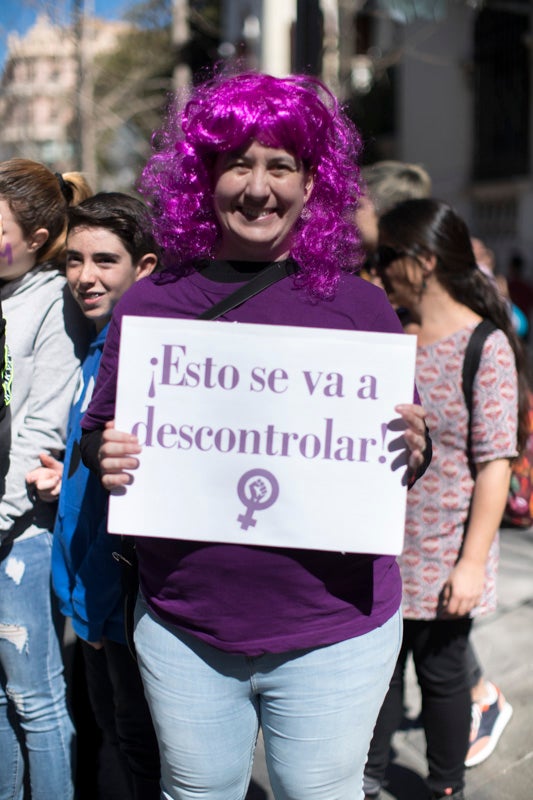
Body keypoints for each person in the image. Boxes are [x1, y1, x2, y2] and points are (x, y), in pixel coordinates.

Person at [79, 72, 430, 800]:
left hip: (335, 628)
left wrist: (413, 449)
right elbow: (97, 428)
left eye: (281, 166)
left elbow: (394, 459)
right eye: (238, 163)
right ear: (205, 176)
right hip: (185, 625)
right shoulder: (152, 302)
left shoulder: (359, 308)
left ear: (312, 183)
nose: (257, 187)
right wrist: (103, 452)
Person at [363, 198, 528, 800]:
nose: (376, 269)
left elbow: (495, 464)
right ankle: (370, 782)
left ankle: (445, 787)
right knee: (377, 680)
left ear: (424, 261)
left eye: (387, 257)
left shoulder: (485, 346)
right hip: (380, 549)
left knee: (442, 678)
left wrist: (471, 563)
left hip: (445, 555)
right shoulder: (390, 334)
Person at [26, 193, 161, 799]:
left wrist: (105, 612)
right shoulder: (93, 348)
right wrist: (67, 474)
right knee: (115, 742)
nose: (85, 276)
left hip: (120, 610)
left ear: (146, 267)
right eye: (74, 260)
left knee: (142, 756)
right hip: (90, 605)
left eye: (105, 260)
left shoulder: (149, 359)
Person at [0, 159, 92, 799]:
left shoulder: (52, 303)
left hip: (19, 534)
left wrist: (2, 518)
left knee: (36, 699)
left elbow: (41, 431)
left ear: (35, 237)